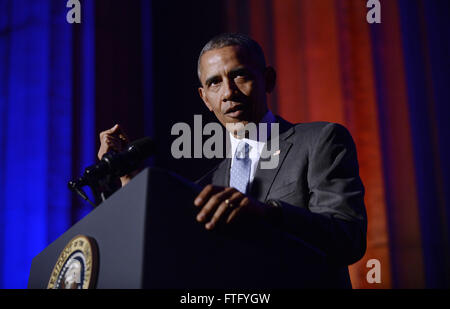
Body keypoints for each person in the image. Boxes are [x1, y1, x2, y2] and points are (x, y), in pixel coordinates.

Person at [97, 33, 367, 288]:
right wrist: (126, 177)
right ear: (205, 98)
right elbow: (159, 250)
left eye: (240, 75)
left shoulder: (321, 140)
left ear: (268, 79)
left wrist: (268, 213)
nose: (228, 92)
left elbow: (347, 237)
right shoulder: (205, 186)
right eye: (214, 82)